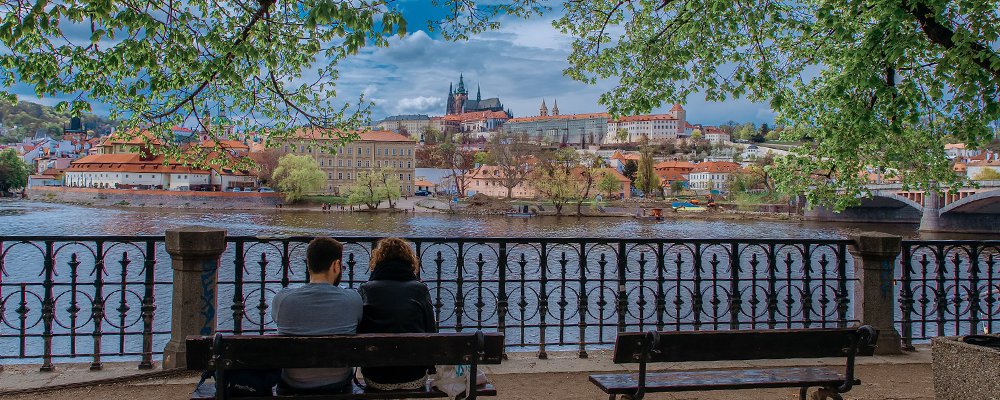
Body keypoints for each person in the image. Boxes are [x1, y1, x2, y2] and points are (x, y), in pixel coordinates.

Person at [271, 237, 362, 394]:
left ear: (308, 265)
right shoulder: (353, 300)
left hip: (293, 387)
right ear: (336, 265)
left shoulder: (282, 299)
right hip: (338, 386)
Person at [358, 238, 437, 390]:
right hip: (414, 376)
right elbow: (431, 331)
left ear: (378, 260)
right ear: (410, 260)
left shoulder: (366, 290)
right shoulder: (420, 289)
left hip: (376, 377)